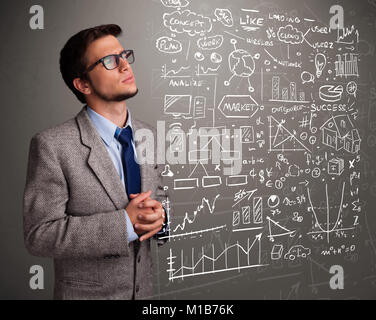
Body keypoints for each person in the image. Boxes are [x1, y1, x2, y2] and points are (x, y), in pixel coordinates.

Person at [23, 24, 170, 300]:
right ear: (83, 84)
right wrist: (124, 225)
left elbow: (161, 201)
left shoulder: (149, 135)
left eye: (124, 55)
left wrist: (162, 218)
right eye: (110, 61)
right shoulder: (52, 146)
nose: (125, 66)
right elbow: (39, 234)